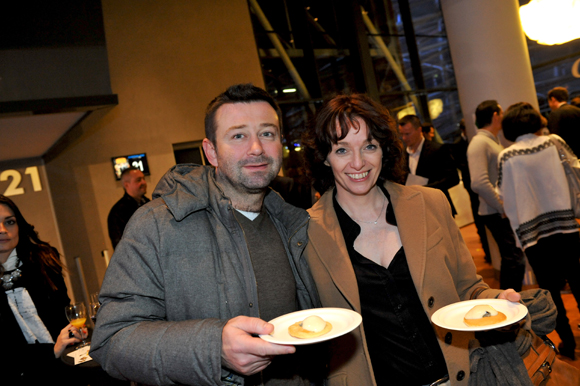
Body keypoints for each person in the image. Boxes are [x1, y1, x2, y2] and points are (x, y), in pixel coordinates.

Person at [90, 84, 322, 385]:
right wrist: (213, 349)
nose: (256, 148)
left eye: (267, 133)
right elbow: (112, 340)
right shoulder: (156, 225)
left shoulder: (296, 224)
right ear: (211, 151)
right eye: (238, 136)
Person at [301, 93, 522, 386]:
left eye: (369, 146)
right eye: (342, 150)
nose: (358, 163)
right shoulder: (306, 233)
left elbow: (467, 288)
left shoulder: (430, 203)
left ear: (384, 149)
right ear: (325, 158)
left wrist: (499, 302)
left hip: (459, 376)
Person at [497, 102, 580, 359]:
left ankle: (567, 343)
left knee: (549, 290)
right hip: (566, 226)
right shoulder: (553, 142)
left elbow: (506, 200)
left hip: (533, 235)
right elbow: (576, 169)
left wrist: (518, 235)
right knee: (578, 279)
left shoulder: (507, 157)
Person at [0, 195, 87, 385]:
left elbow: (63, 310)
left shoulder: (43, 259)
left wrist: (74, 330)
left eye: (10, 222)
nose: (3, 230)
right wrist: (51, 351)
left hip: (64, 368)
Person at [466, 100, 525, 292]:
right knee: (514, 260)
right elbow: (478, 182)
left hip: (498, 211)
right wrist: (501, 206)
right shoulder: (479, 143)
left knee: (513, 259)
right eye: (501, 111)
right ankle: (507, 305)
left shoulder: (490, 140)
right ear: (494, 115)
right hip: (495, 212)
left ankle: (509, 304)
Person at [398, 114, 459, 215]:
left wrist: (425, 189)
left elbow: (453, 178)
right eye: (401, 134)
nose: (404, 138)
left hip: (439, 208)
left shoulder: (437, 149)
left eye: (407, 134)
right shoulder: (403, 155)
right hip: (417, 210)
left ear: (419, 130)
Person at [107, 166, 149, 249]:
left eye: (144, 178)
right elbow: (120, 246)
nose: (144, 182)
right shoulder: (118, 212)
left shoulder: (149, 203)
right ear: (126, 185)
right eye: (138, 180)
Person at [547, 86, 580, 156]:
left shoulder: (555, 114)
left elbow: (555, 137)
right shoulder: (577, 110)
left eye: (549, 101)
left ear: (553, 99)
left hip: (569, 154)